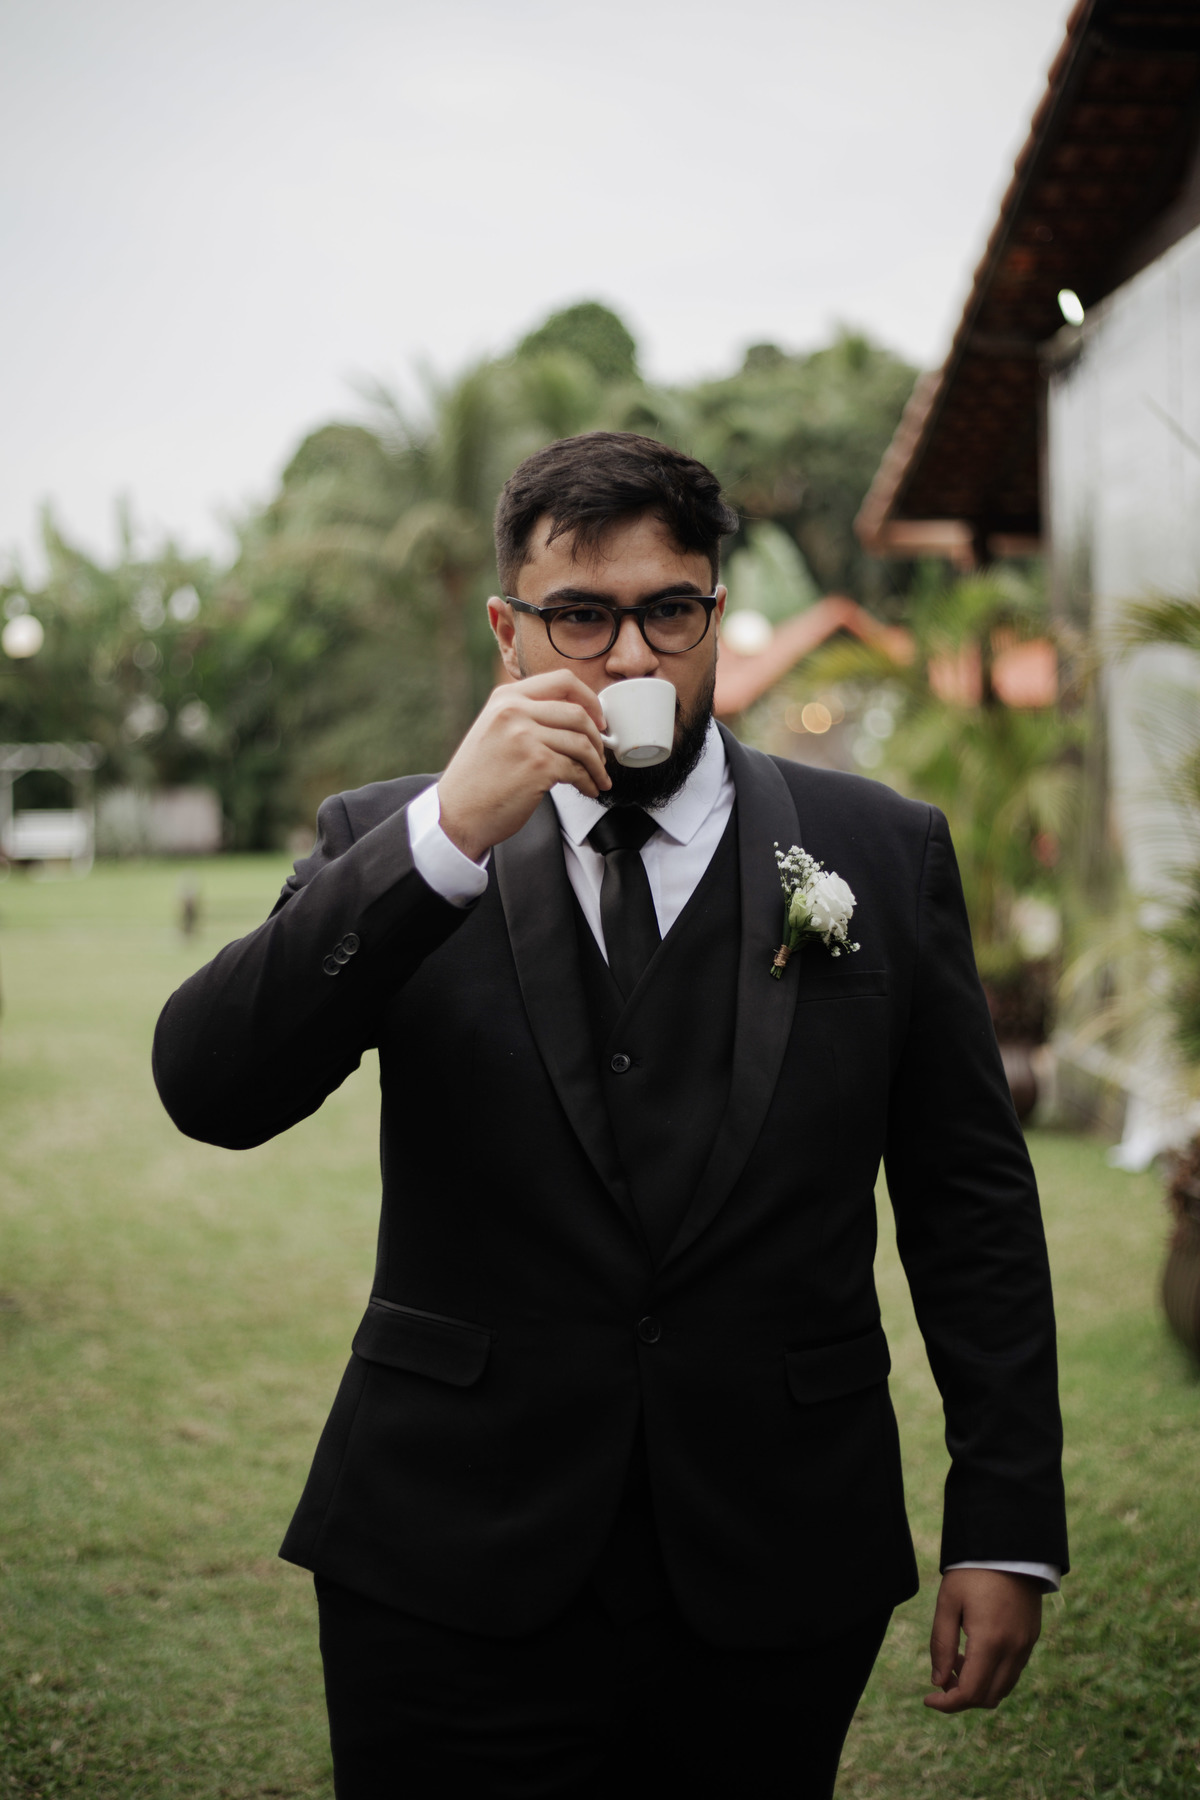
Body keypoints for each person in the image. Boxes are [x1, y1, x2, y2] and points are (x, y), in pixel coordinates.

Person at [153, 431, 1068, 1799]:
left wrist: (1005, 1522)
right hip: (447, 1564)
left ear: (716, 612)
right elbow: (211, 1088)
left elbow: (970, 1203)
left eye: (669, 611)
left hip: (776, 1560)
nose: (632, 657)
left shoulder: (881, 852)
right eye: (580, 615)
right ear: (508, 632)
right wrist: (446, 837)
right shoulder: (394, 839)